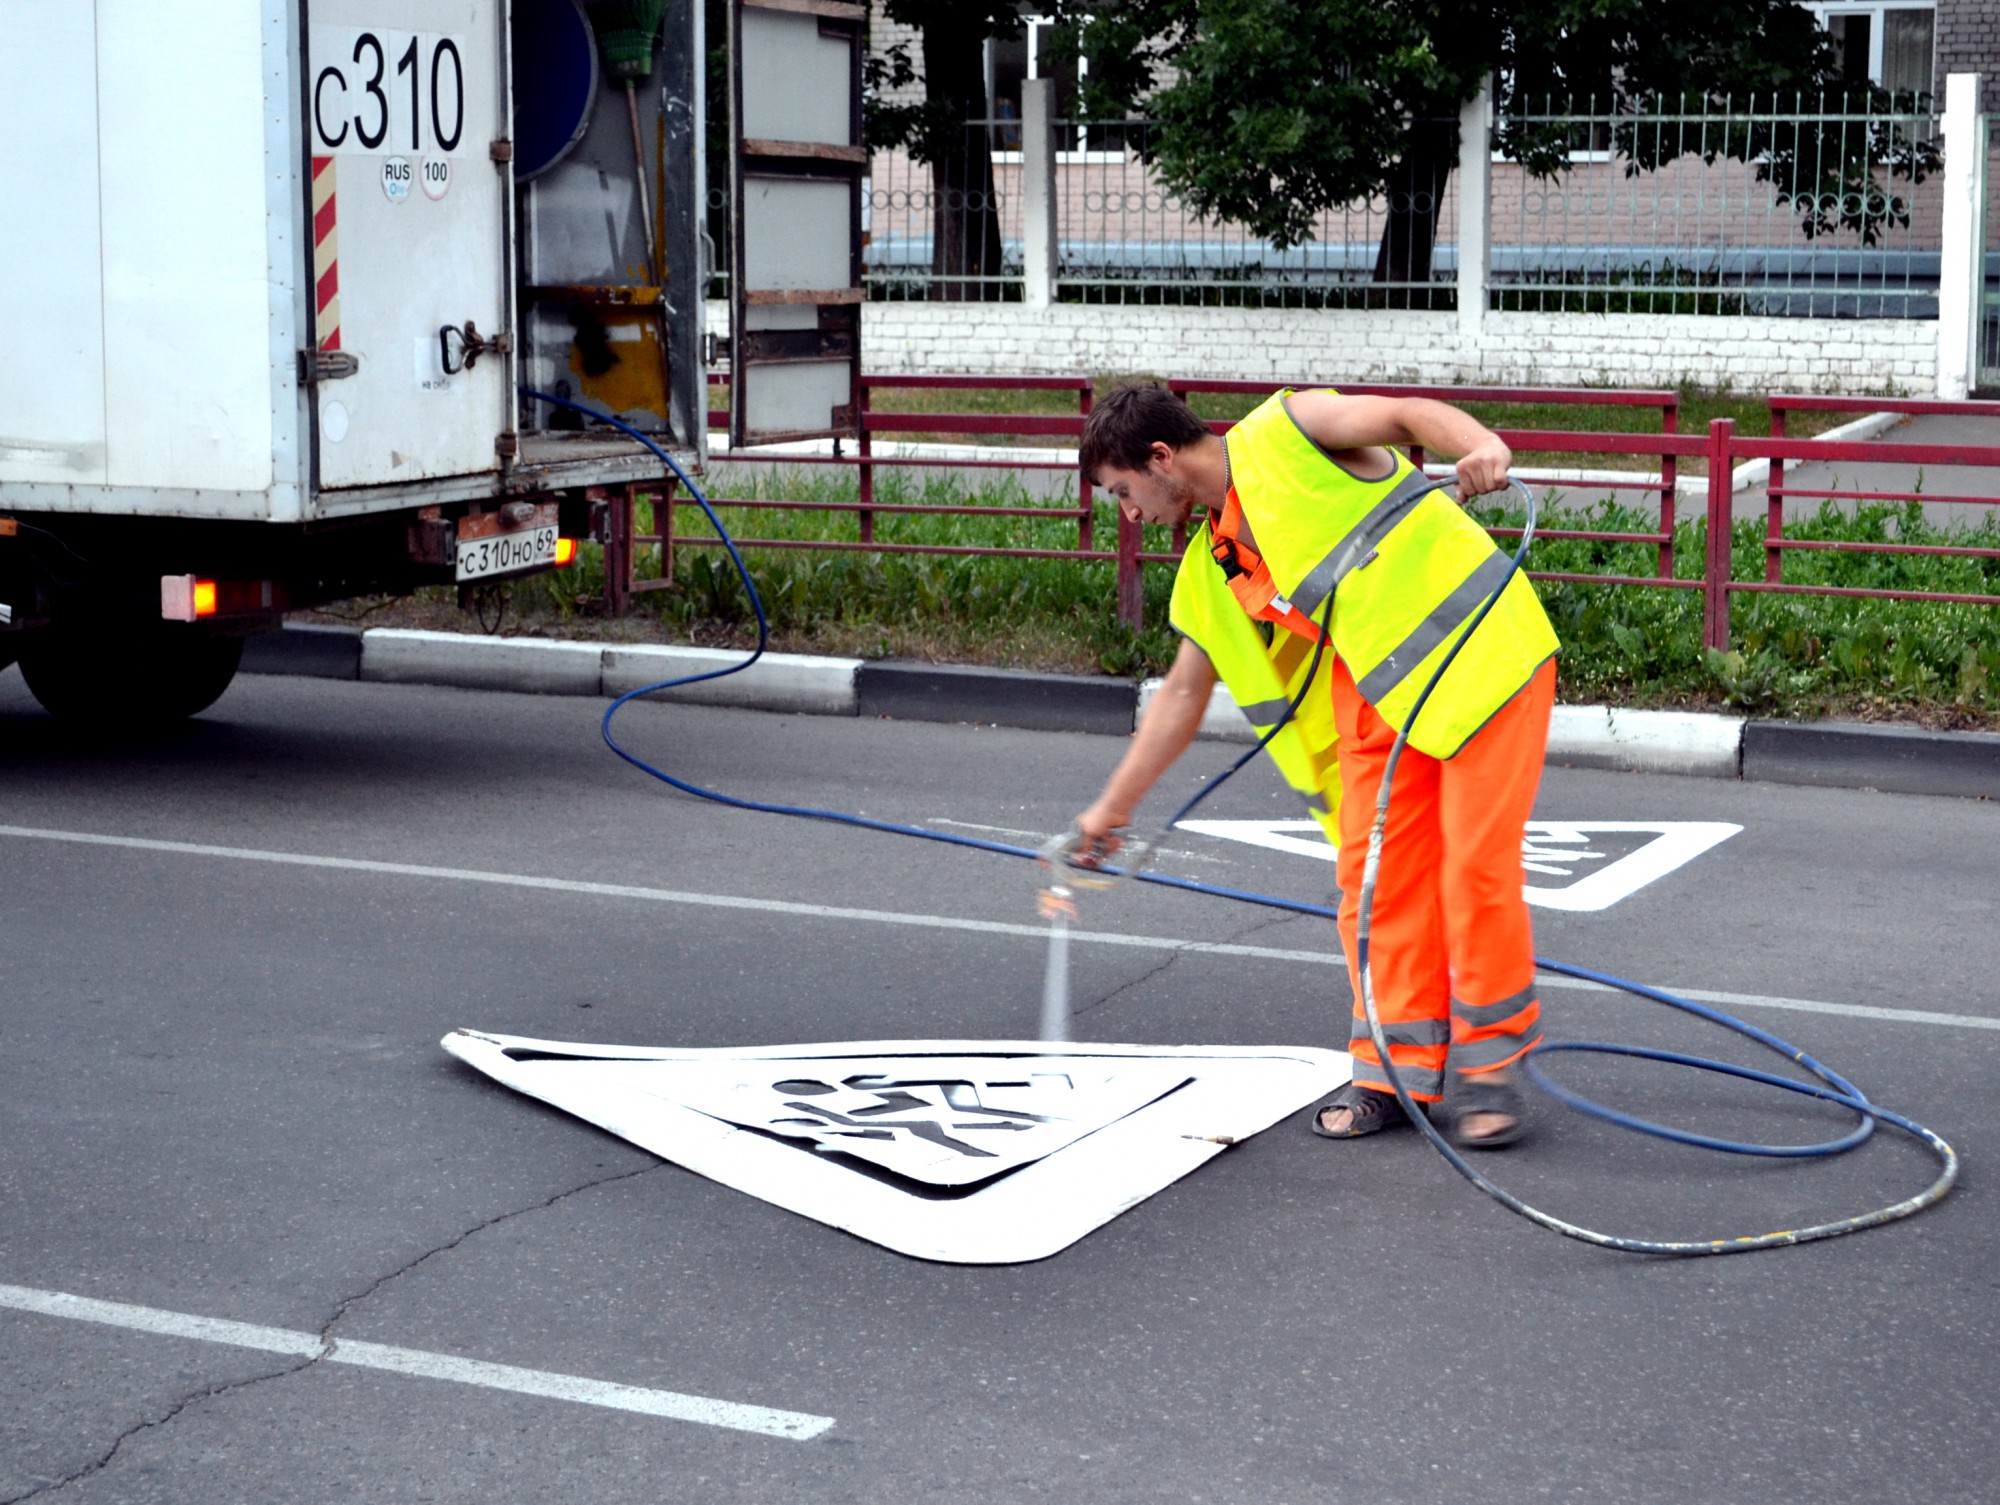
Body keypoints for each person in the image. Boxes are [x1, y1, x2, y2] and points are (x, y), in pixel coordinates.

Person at [1071, 383, 1558, 1147]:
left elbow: (1403, 415)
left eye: (1124, 492)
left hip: (1483, 656)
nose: (1128, 514)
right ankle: (1392, 1076)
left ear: (1160, 458)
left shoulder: (1286, 429)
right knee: (1372, 886)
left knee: (1472, 873)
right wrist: (1112, 809)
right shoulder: (1215, 562)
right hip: (1378, 705)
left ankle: (1489, 1071)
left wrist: (1480, 443)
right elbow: (1182, 694)